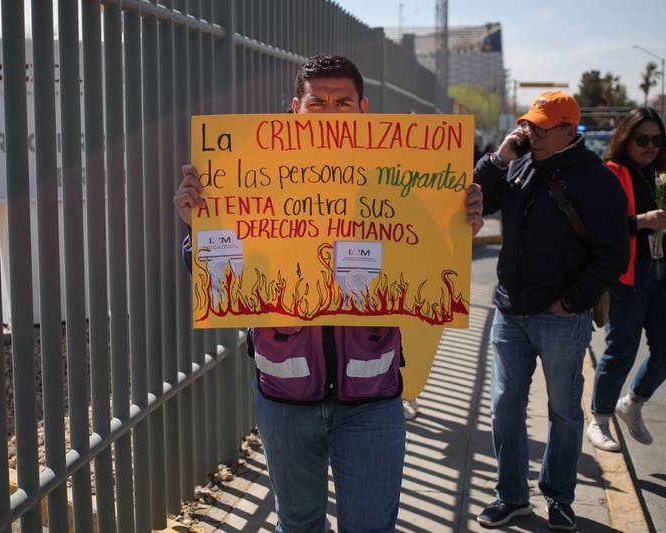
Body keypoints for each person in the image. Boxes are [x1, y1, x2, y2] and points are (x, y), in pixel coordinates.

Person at [174, 54, 484, 533]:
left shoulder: (399, 178)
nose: (330, 113)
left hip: (373, 398)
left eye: (342, 103)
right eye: (317, 103)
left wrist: (458, 225)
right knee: (298, 525)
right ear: (294, 109)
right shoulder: (256, 174)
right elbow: (223, 274)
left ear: (364, 108)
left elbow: (430, 262)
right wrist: (198, 225)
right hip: (284, 396)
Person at [473, 91, 629, 531]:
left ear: (568, 131)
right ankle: (511, 497)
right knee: (504, 407)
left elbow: (613, 255)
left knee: (563, 410)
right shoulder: (520, 163)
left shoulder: (596, 179)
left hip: (559, 317)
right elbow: (477, 197)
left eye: (542, 127)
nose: (531, 133)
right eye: (528, 124)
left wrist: (572, 303)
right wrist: (499, 158)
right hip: (510, 310)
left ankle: (559, 497)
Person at [586, 107, 666, 451]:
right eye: (642, 140)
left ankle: (632, 402)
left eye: (657, 141)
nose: (650, 147)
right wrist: (642, 221)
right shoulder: (611, 173)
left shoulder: (661, 173)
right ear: (626, 138)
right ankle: (599, 419)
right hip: (627, 274)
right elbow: (599, 226)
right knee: (621, 349)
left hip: (662, 271)